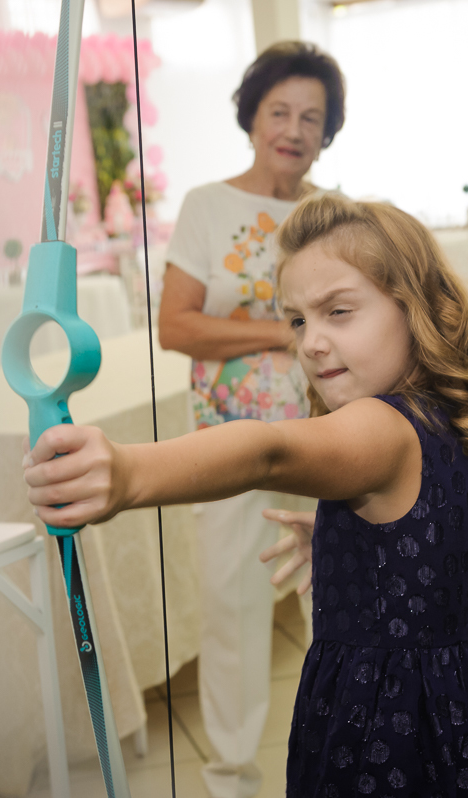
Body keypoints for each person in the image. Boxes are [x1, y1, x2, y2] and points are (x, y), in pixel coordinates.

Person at [23, 192, 468, 796]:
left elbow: (265, 449)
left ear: (418, 308)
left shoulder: (380, 426)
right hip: (467, 710)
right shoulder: (462, 419)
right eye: (299, 320)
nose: (311, 342)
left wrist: (128, 473)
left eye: (339, 312)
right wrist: (378, 557)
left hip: (385, 726)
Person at [156, 41, 347, 798]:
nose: (294, 129)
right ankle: (231, 775)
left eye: (312, 117)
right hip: (231, 438)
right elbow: (177, 326)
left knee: (333, 598)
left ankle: (340, 760)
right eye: (280, 112)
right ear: (252, 117)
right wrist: (284, 330)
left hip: (325, 432)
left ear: (327, 130)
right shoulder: (209, 206)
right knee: (233, 607)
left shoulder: (334, 212)